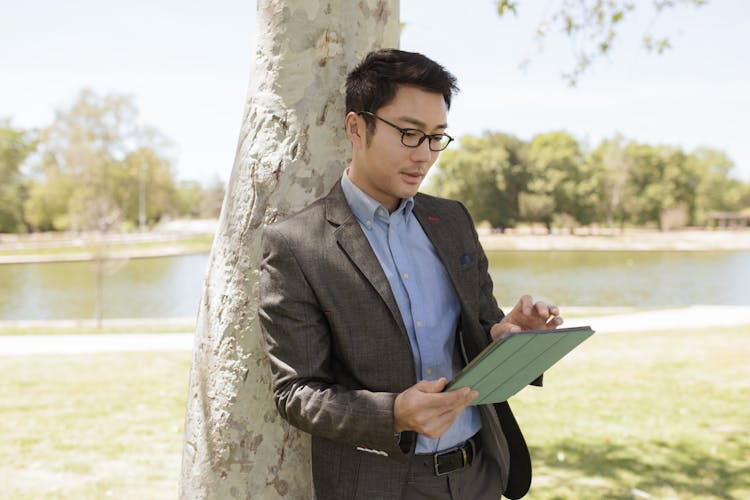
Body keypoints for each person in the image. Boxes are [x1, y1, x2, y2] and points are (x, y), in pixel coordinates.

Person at [258, 49, 563, 500]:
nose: (424, 155)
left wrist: (509, 334)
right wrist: (394, 414)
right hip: (379, 485)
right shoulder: (297, 244)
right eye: (408, 134)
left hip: (479, 473)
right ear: (356, 127)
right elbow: (296, 393)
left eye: (436, 137)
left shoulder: (453, 221)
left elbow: (477, 329)